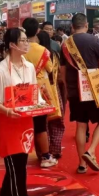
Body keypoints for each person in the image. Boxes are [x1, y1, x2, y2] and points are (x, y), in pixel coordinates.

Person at [0, 28, 42, 196]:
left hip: (25, 122)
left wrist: (41, 104)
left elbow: (34, 93)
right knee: (17, 168)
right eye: (23, 40)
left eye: (27, 40)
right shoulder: (1, 70)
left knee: (18, 164)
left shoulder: (29, 67)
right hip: (8, 122)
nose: (27, 43)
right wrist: (8, 111)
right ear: (12, 45)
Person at [60, 13, 99, 174]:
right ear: (86, 25)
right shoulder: (93, 40)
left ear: (72, 26)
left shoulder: (65, 44)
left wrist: (68, 87)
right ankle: (91, 150)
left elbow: (62, 70)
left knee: (81, 125)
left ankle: (82, 164)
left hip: (75, 90)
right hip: (94, 88)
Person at [21, 18, 57, 167]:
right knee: (40, 125)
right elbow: (50, 68)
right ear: (37, 31)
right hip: (40, 89)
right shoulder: (43, 50)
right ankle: (46, 157)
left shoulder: (19, 49)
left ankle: (22, 154)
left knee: (24, 123)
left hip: (22, 89)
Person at [37, 29, 66, 167]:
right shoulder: (54, 54)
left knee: (41, 124)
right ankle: (55, 150)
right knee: (56, 122)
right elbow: (58, 73)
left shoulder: (38, 54)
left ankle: (42, 152)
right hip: (54, 91)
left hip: (41, 92)